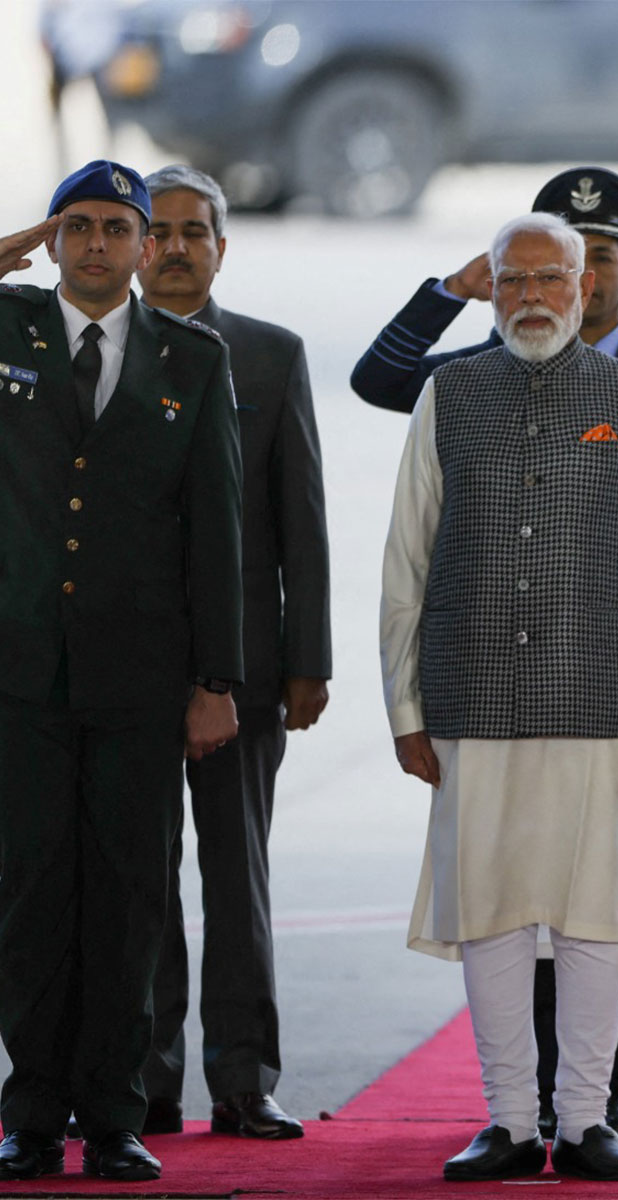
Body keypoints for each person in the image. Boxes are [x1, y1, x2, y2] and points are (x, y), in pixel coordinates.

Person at [352, 167, 618, 1137]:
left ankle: (592, 1114)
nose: (530, 297)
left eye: (553, 278)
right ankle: (512, 1122)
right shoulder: (451, 390)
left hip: (607, 698)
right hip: (474, 700)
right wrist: (404, 707)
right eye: (508, 279)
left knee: (602, 917)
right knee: (491, 917)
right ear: (489, 282)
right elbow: (406, 562)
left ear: (593, 285)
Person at [0, 161, 242, 1183]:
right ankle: (30, 1115)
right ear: (53, 241)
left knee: (132, 895)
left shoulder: (193, 357)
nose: (97, 245)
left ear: (149, 247)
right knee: (29, 897)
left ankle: (114, 1113)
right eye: (78, 227)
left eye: (117, 228)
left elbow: (216, 531)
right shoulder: (7, 332)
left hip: (142, 678)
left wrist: (216, 678)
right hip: (19, 675)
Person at [134, 164, 332, 1141]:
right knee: (137, 881)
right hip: (121, 671)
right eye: (157, 231)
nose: (174, 248)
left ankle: (244, 1079)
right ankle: (145, 1082)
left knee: (237, 879)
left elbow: (303, 519)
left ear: (222, 245)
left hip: (250, 667)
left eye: (192, 232)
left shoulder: (268, 354)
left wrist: (310, 659)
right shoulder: (87, 353)